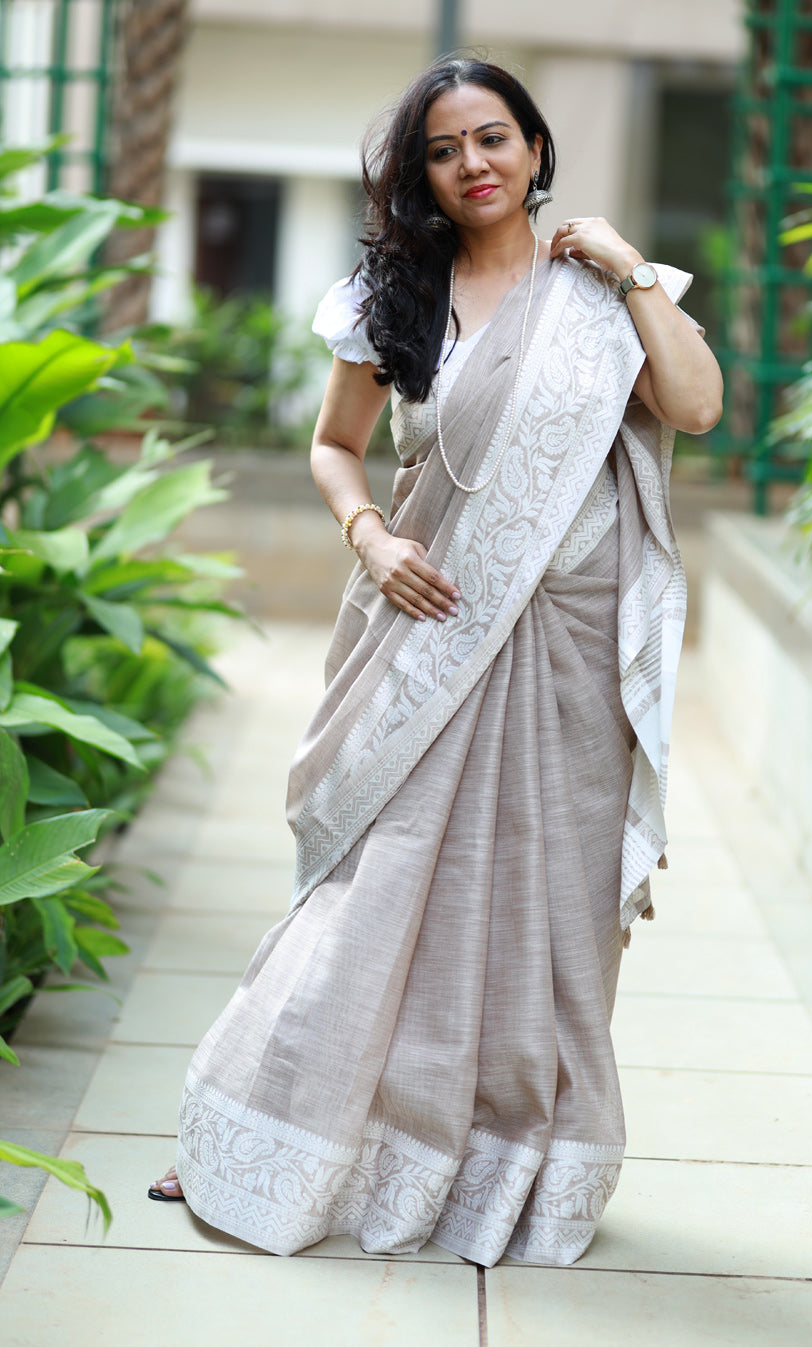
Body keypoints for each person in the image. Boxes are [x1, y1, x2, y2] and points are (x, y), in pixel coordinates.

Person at [149, 57, 722, 1268]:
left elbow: (697, 403)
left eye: (494, 138)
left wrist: (627, 268)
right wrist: (370, 534)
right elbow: (333, 446)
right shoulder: (390, 298)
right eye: (445, 149)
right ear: (422, 173)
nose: (474, 165)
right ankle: (262, 1125)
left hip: (571, 652)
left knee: (549, 909)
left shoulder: (603, 292)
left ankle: (500, 1158)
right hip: (428, 621)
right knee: (373, 885)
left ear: (535, 148)